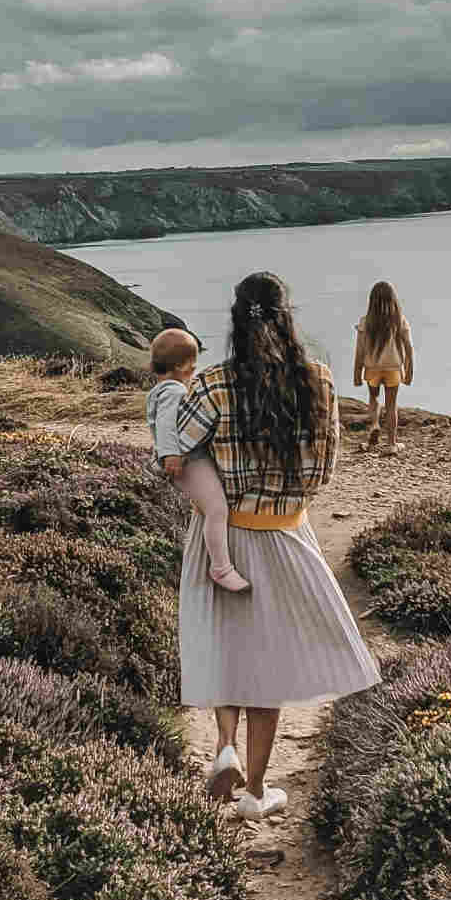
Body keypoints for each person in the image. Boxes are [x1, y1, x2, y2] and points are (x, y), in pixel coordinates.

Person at [171, 272, 380, 818]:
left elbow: (176, 456)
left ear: (236, 319)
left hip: (224, 533)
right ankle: (255, 792)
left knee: (225, 647)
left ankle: (223, 749)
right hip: (285, 532)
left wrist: (214, 491)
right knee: (269, 663)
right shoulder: (321, 382)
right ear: (288, 317)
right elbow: (326, 471)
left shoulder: (213, 384)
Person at [145, 326, 249, 591]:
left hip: (188, 459)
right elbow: (167, 425)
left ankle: (211, 557)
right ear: (180, 366)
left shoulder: (159, 389)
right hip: (188, 461)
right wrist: (171, 455)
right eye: (192, 367)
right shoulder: (174, 391)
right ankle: (221, 568)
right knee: (217, 509)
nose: (194, 373)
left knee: (207, 508)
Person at [352, 280, 414, 454]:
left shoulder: (365, 322)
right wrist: (409, 372)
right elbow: (409, 349)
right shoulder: (399, 321)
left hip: (372, 368)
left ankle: (374, 426)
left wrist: (357, 373)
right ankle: (391, 444)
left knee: (374, 399)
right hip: (393, 369)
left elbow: (360, 351)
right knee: (391, 405)